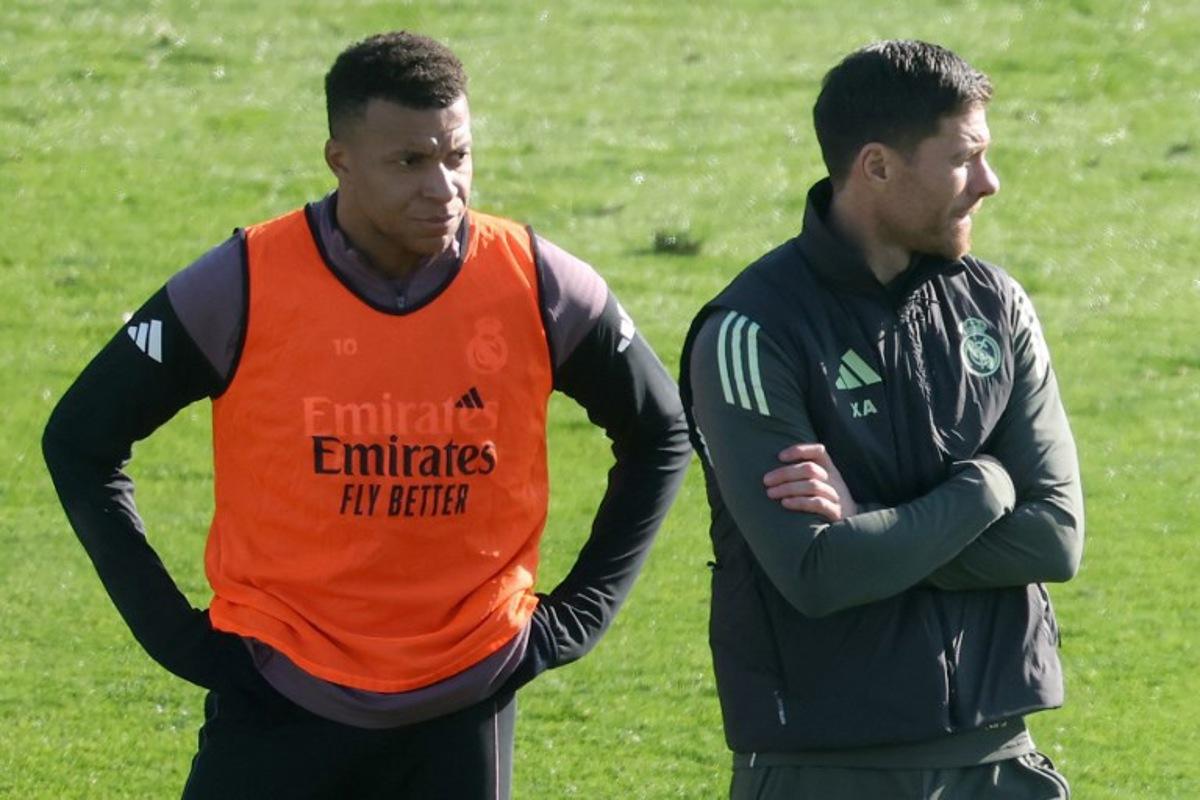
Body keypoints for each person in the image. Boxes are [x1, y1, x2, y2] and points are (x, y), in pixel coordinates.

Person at [43, 31, 690, 799]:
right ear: (339, 160)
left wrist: (575, 617)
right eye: (410, 162)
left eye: (458, 155)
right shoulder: (244, 283)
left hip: (464, 697)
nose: (444, 187)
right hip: (277, 693)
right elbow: (80, 441)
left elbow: (661, 432)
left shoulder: (538, 283)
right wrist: (177, 639)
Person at [680, 40, 1083, 799]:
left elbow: (1056, 537)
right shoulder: (751, 332)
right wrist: (985, 490)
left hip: (1001, 762)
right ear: (876, 166)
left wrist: (873, 523)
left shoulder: (996, 307)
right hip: (827, 771)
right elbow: (818, 572)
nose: (989, 184)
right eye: (964, 158)